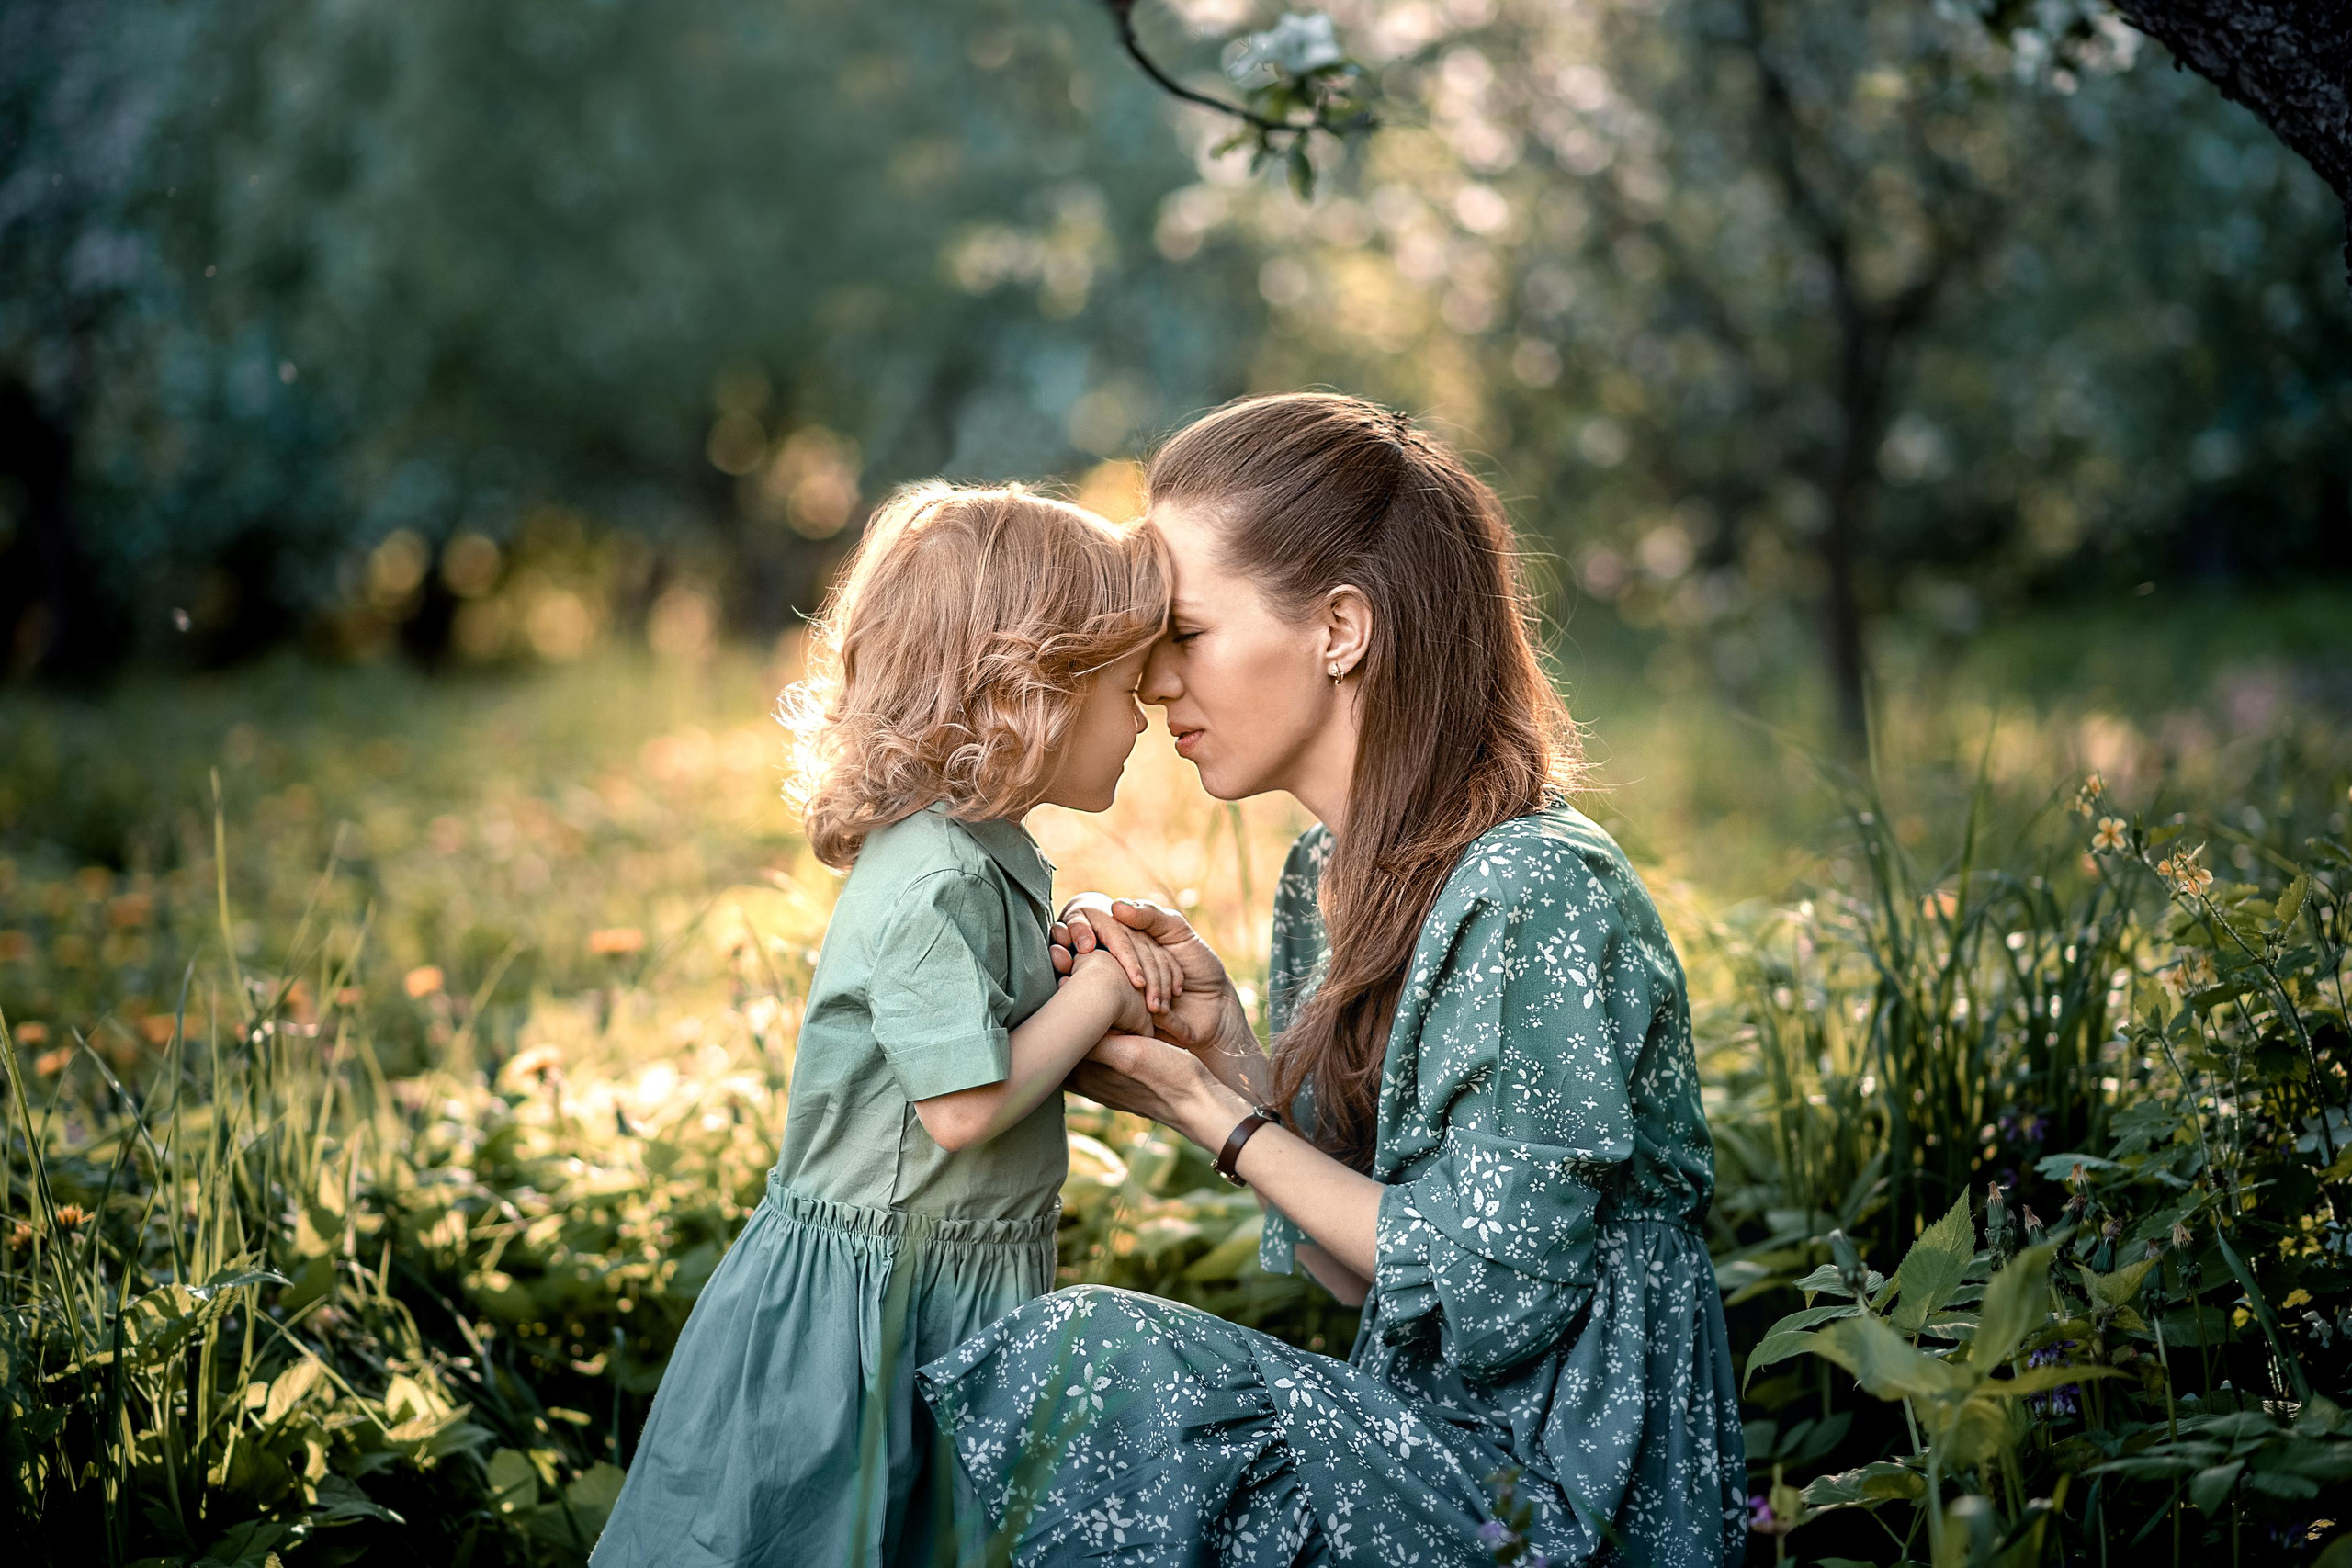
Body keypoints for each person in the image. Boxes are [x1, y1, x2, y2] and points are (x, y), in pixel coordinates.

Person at [918, 395, 1747, 1566]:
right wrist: (1228, 1059)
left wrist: (1209, 1112)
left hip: (1564, 1506)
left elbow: (1490, 1303)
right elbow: (1364, 1279)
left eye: (1187, 633)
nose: (1151, 682)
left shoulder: (1532, 891)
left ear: (1341, 628)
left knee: (1086, 1357)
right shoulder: (1333, 873)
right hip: (1437, 1453)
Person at [592, 481, 1183, 1568]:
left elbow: (991, 1018)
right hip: (859, 1316)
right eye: (1119, 686)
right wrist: (1097, 996)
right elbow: (961, 1108)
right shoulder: (928, 878)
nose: (1143, 714)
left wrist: (1079, 939)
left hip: (942, 1281)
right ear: (1030, 692)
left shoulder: (984, 853)